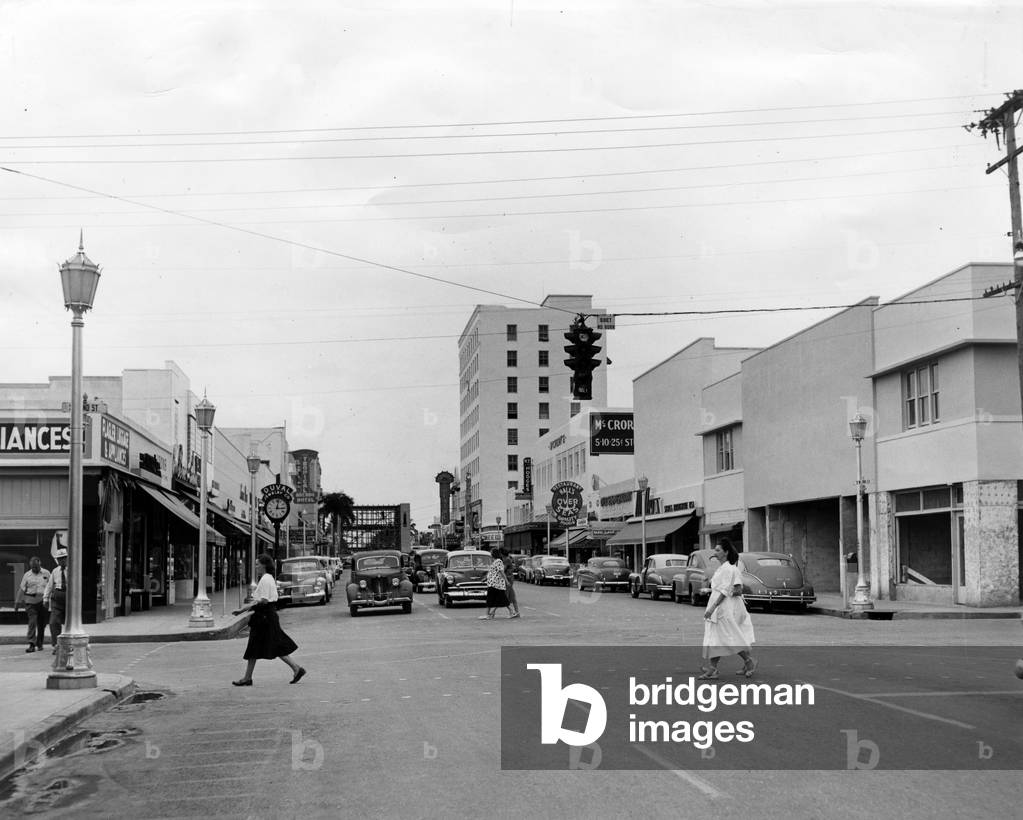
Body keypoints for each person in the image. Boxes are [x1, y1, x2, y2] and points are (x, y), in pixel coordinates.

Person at [230, 553, 306, 686]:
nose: (256, 566)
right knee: (271, 645)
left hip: (264, 617)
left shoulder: (265, 579)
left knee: (263, 645)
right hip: (267, 616)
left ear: (264, 565)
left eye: (258, 564)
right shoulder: (268, 578)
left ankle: (295, 668)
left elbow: (263, 600)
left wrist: (243, 609)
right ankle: (296, 669)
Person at [699, 538, 757, 680]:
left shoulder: (730, 569)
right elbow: (719, 588)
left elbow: (726, 590)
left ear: (726, 552)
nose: (715, 552)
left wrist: (712, 607)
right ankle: (713, 668)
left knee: (728, 637)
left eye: (718, 550)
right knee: (716, 637)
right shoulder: (721, 568)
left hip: (723, 608)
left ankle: (749, 661)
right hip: (719, 606)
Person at [14, 557, 50, 653]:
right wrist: (17, 603)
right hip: (30, 602)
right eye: (33, 567)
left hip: (43, 602)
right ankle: (31, 644)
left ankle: (40, 642)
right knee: (32, 622)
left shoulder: (47, 573)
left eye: (36, 567)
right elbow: (21, 589)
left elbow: (51, 587)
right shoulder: (27, 575)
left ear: (39, 564)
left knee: (42, 624)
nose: (34, 569)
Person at [43, 548, 68, 655]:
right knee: (53, 622)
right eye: (59, 559)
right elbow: (49, 586)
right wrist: (45, 598)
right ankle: (56, 645)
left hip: (69, 598)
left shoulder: (72, 570)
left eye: (63, 558)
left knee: (70, 624)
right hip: (57, 598)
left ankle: (69, 645)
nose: (61, 561)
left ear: (67, 559)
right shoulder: (55, 571)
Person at [479, 547, 512, 620]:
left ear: (494, 553)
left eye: (491, 552)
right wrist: (485, 579)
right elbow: (492, 572)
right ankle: (510, 611)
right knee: (501, 599)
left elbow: (501, 572)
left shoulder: (498, 561)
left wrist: (506, 581)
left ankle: (488, 614)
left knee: (491, 599)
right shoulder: (495, 561)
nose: (490, 553)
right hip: (493, 583)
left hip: (496, 584)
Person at [500, 548, 521, 618]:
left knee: (504, 596)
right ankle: (517, 612)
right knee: (512, 596)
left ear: (502, 553)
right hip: (509, 579)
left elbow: (503, 569)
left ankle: (512, 612)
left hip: (508, 579)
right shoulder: (507, 559)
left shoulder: (506, 559)